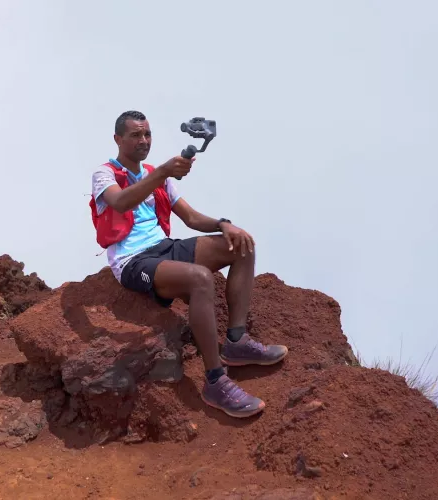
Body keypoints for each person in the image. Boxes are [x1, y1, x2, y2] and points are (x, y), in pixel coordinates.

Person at [89, 110, 289, 419]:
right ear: (118, 139)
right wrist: (162, 173)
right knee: (199, 279)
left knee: (242, 246)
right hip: (133, 261)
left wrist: (224, 225)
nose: (144, 140)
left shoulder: (159, 175)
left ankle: (236, 342)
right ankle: (215, 380)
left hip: (165, 247)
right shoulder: (105, 173)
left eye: (147, 134)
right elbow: (120, 202)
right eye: (135, 135)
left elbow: (192, 218)